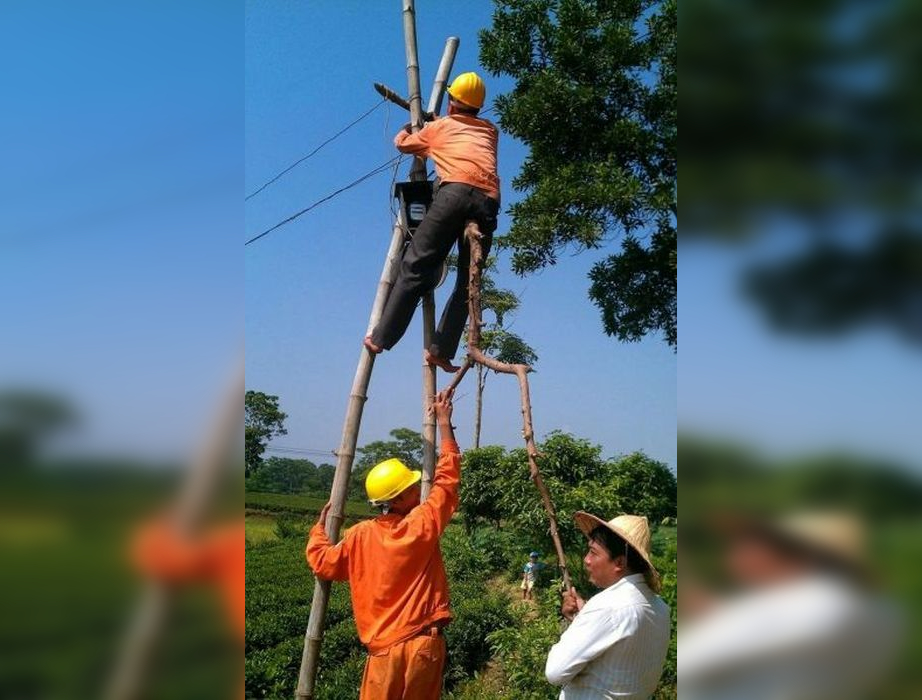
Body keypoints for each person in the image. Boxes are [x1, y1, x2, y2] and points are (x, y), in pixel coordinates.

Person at [306, 389, 459, 700]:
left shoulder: (359, 535)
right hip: (421, 647)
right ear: (399, 498)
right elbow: (448, 479)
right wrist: (445, 424)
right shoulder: (421, 525)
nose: (419, 490)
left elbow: (323, 562)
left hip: (382, 653)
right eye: (413, 488)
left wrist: (319, 529)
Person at [678, 512, 901, 700]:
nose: (734, 555)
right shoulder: (868, 607)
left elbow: (700, 657)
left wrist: (714, 620)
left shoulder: (824, 604)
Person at [364, 71, 501, 373]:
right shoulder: (491, 130)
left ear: (452, 102)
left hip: (453, 194)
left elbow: (403, 143)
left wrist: (413, 127)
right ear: (477, 107)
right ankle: (441, 350)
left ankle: (380, 338)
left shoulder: (441, 127)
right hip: (488, 201)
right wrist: (439, 123)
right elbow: (462, 133)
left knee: (416, 263)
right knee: (469, 283)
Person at [545, 513, 671, 700]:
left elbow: (555, 672)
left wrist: (586, 617)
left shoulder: (607, 606)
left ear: (619, 562)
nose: (586, 560)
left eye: (593, 552)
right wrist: (582, 617)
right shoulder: (660, 608)